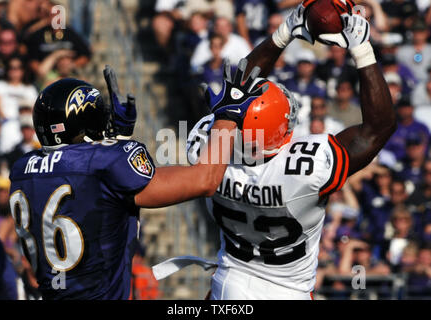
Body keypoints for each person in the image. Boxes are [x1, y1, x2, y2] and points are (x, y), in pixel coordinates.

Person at [155, 0, 396, 299]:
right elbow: (379, 127)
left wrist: (283, 33)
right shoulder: (307, 168)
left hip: (230, 285)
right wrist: (362, 50)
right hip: (289, 292)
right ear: (281, 131)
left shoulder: (208, 150)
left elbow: (236, 93)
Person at [7, 62, 263, 300]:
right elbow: (205, 180)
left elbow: (88, 189)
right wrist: (227, 118)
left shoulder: (22, 169)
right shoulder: (104, 161)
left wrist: (115, 141)